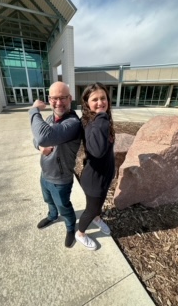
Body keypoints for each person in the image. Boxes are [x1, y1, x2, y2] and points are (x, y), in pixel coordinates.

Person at [29, 81, 82, 248]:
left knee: (64, 206)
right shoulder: (50, 118)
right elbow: (38, 139)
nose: (58, 102)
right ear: (49, 99)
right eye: (54, 98)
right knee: (48, 200)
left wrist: (33, 110)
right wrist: (40, 147)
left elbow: (44, 135)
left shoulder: (73, 124)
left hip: (60, 178)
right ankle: (52, 216)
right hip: (45, 173)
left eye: (63, 98)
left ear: (70, 98)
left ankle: (70, 227)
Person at [75, 82, 115, 250]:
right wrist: (102, 118)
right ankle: (80, 233)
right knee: (90, 210)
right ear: (87, 103)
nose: (100, 102)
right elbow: (97, 151)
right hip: (93, 179)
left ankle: (97, 218)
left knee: (98, 205)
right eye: (95, 99)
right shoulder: (92, 122)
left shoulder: (100, 120)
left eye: (103, 98)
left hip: (104, 175)